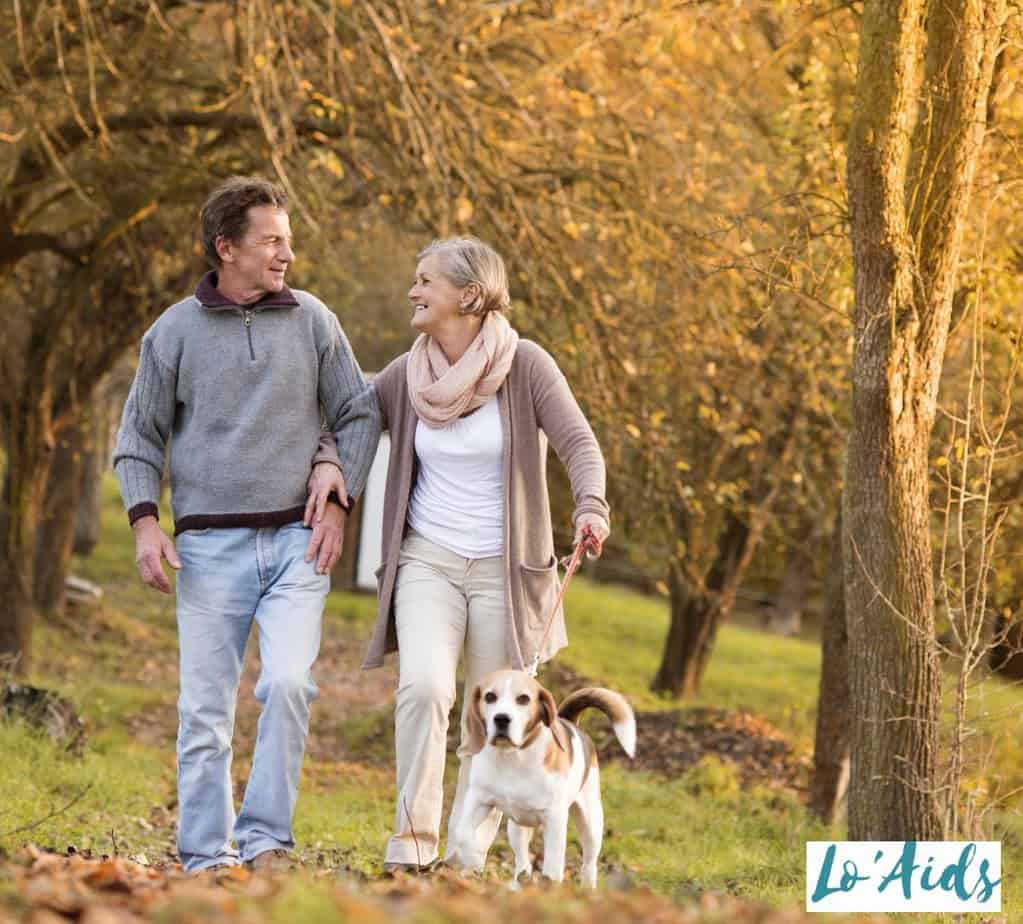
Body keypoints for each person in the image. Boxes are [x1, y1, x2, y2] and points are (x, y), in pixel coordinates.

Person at [113, 176, 380, 874]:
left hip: (298, 541)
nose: (286, 253)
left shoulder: (315, 320)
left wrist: (339, 485)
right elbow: (137, 438)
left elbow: (358, 412)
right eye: (272, 241)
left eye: (288, 241)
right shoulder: (171, 332)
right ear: (226, 247)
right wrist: (146, 524)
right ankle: (205, 854)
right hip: (206, 549)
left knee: (290, 685)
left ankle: (265, 842)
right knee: (204, 711)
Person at [362, 236, 610, 872]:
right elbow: (354, 420)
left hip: (506, 569)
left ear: (468, 295)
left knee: (494, 712)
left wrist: (590, 505)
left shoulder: (525, 365)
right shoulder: (406, 374)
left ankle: (466, 847)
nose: (412, 292)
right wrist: (332, 466)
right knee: (423, 688)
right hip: (428, 559)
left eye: (425, 281)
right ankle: (412, 846)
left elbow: (579, 442)